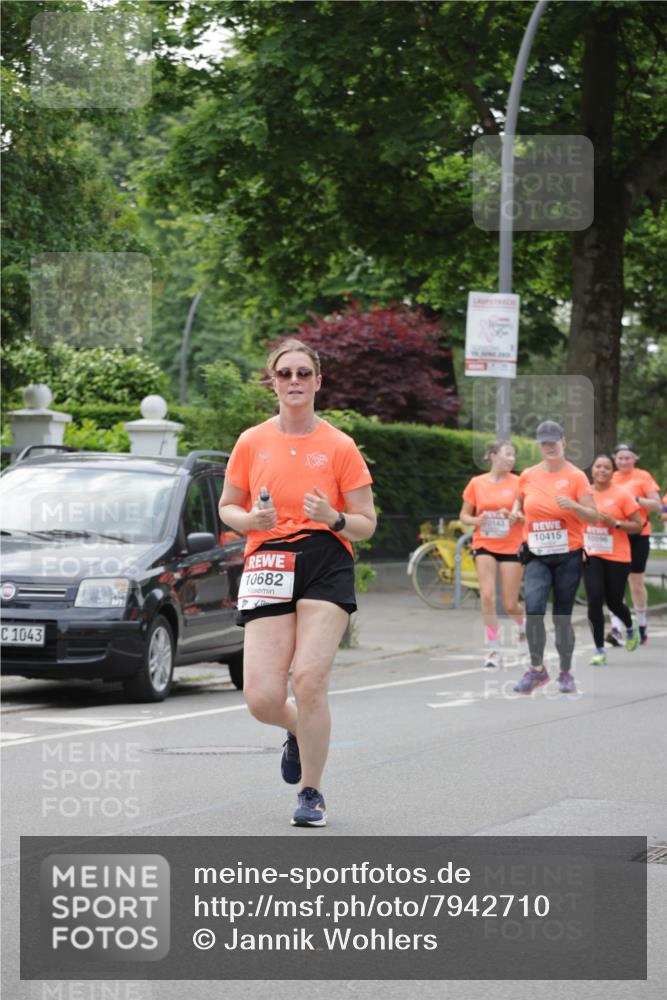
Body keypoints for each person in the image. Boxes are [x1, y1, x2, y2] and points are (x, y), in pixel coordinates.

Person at [219, 338, 376, 828]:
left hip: (325, 558)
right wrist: (251, 519)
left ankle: (312, 792)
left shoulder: (339, 445)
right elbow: (227, 506)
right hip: (267, 558)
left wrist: (333, 517)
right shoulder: (251, 441)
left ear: (317, 381)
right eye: (284, 373)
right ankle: (295, 729)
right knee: (262, 697)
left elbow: (366, 522)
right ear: (273, 381)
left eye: (303, 373)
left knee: (309, 678)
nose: (293, 381)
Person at [509, 421, 599, 695]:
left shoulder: (576, 477)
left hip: (568, 555)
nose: (549, 447)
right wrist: (515, 512)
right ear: (539, 444)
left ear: (564, 441)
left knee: (562, 616)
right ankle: (537, 670)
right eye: (544, 442)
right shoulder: (527, 475)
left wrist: (573, 505)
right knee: (534, 610)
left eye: (553, 441)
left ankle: (566, 671)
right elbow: (519, 501)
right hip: (536, 554)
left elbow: (593, 515)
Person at [460, 441, 525, 668]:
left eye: (513, 456)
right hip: (485, 543)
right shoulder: (476, 483)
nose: (511, 459)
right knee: (487, 596)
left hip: (512, 545)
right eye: (507, 454)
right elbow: (464, 516)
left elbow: (528, 516)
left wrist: (517, 517)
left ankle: (523, 625)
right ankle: (493, 649)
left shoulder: (520, 483)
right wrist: (477, 520)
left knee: (510, 604)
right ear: (493, 456)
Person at [582, 455, 642, 664]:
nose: (602, 470)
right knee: (595, 599)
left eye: (607, 467)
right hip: (591, 553)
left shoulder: (622, 494)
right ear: (592, 470)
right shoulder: (584, 494)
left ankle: (629, 624)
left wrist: (616, 523)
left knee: (614, 601)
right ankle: (599, 650)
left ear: (612, 471)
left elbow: (638, 525)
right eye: (598, 466)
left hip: (617, 555)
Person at [607, 444, 661, 645]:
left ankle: (642, 624)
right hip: (616, 534)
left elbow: (657, 505)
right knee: (614, 581)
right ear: (615, 459)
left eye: (627, 458)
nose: (623, 462)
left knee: (636, 583)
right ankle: (616, 627)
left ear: (634, 459)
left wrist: (635, 499)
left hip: (639, 533)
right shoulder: (610, 478)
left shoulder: (643, 477)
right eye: (620, 458)